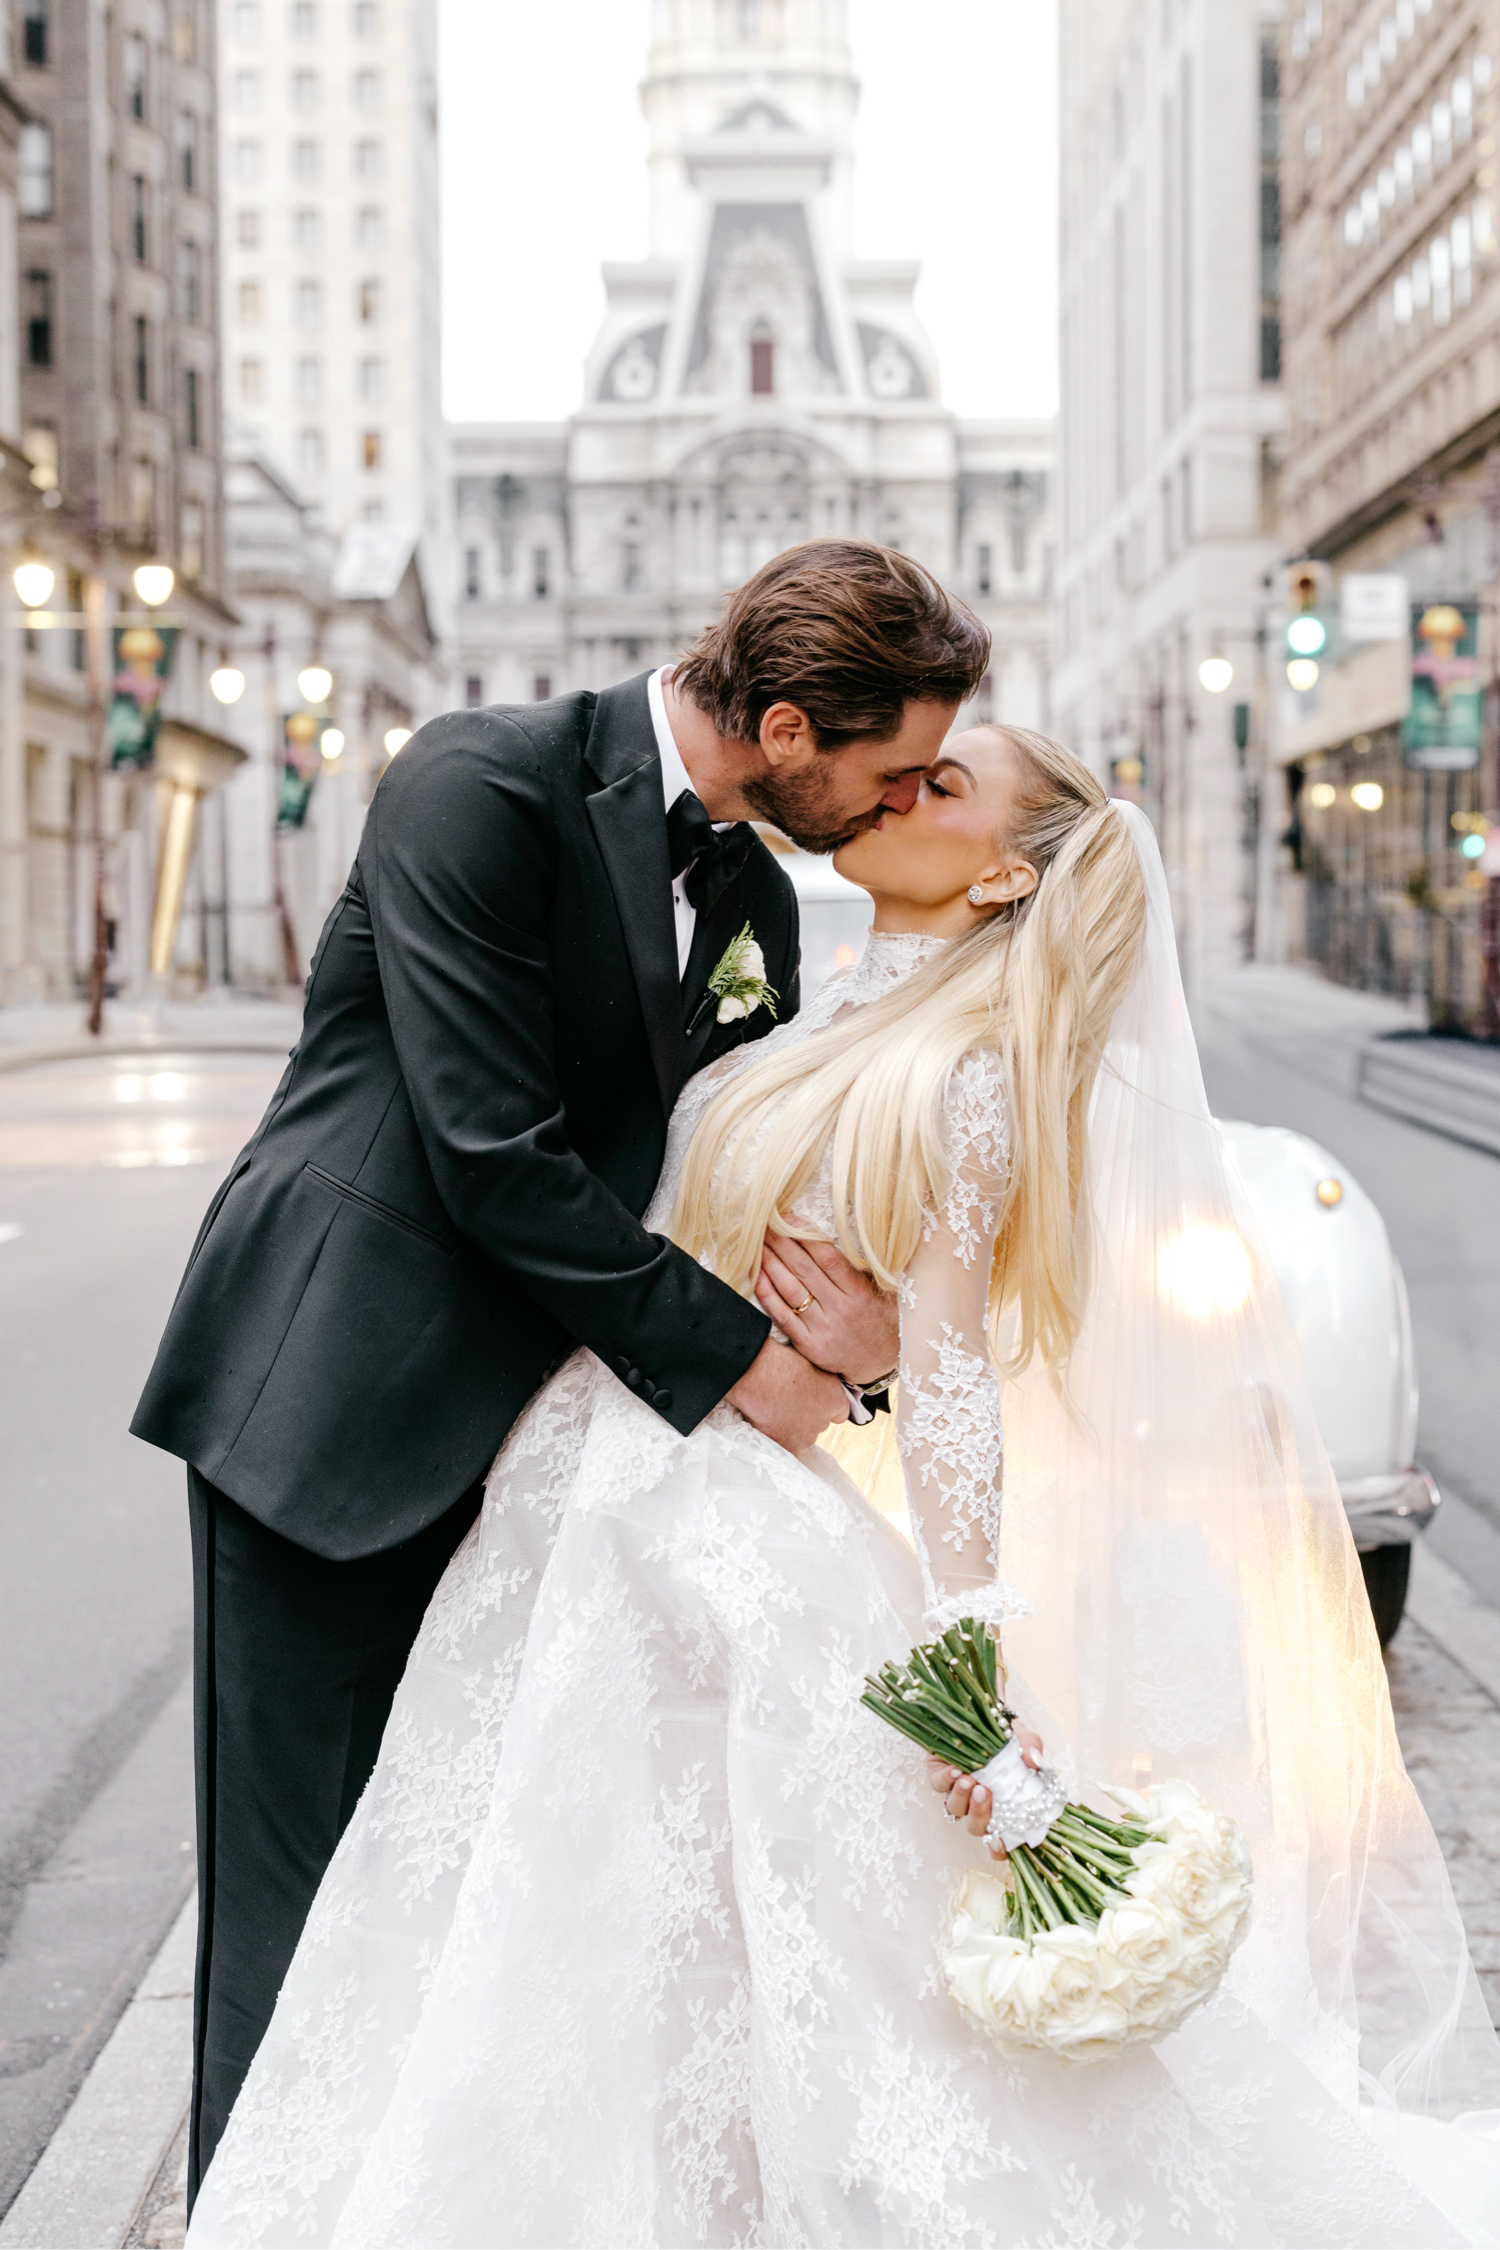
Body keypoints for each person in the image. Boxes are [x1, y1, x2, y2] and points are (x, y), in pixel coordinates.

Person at [188, 724, 1500, 2247]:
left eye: (942, 787)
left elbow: (949, 1376)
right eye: (906, 768)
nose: (898, 793)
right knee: (563, 1935)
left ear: (1008, 870)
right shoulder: (798, 994)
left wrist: (971, 1643)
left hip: (720, 1530)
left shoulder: (976, 1076)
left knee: (724, 1939)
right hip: (578, 1489)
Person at [130, 539, 991, 2203]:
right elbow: (491, 1156)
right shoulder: (476, 782)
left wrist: (869, 1353)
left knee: (442, 1909)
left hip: (547, 1459)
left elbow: (711, 1184)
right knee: (299, 1916)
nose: (896, 806)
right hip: (335, 1405)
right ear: (795, 728)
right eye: (889, 771)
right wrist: (756, 1369)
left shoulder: (746, 899)